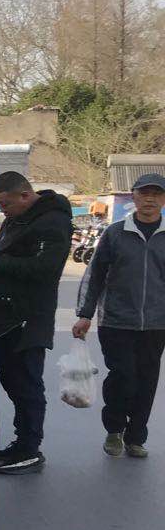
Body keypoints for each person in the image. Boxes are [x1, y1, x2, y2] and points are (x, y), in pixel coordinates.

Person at [0, 171, 73, 474]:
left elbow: (45, 269)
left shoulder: (53, 222)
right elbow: (6, 251)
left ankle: (30, 449)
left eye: (5, 204)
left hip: (28, 319)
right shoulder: (18, 219)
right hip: (6, 318)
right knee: (11, 381)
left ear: (25, 195)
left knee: (27, 384)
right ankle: (20, 443)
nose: (3, 210)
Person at [73, 173, 165, 458]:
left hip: (157, 323)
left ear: (164, 200)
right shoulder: (115, 233)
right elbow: (95, 276)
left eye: (156, 194)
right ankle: (114, 429)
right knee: (123, 376)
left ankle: (136, 437)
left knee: (147, 381)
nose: (149, 199)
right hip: (116, 321)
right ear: (133, 196)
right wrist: (85, 314)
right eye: (144, 193)